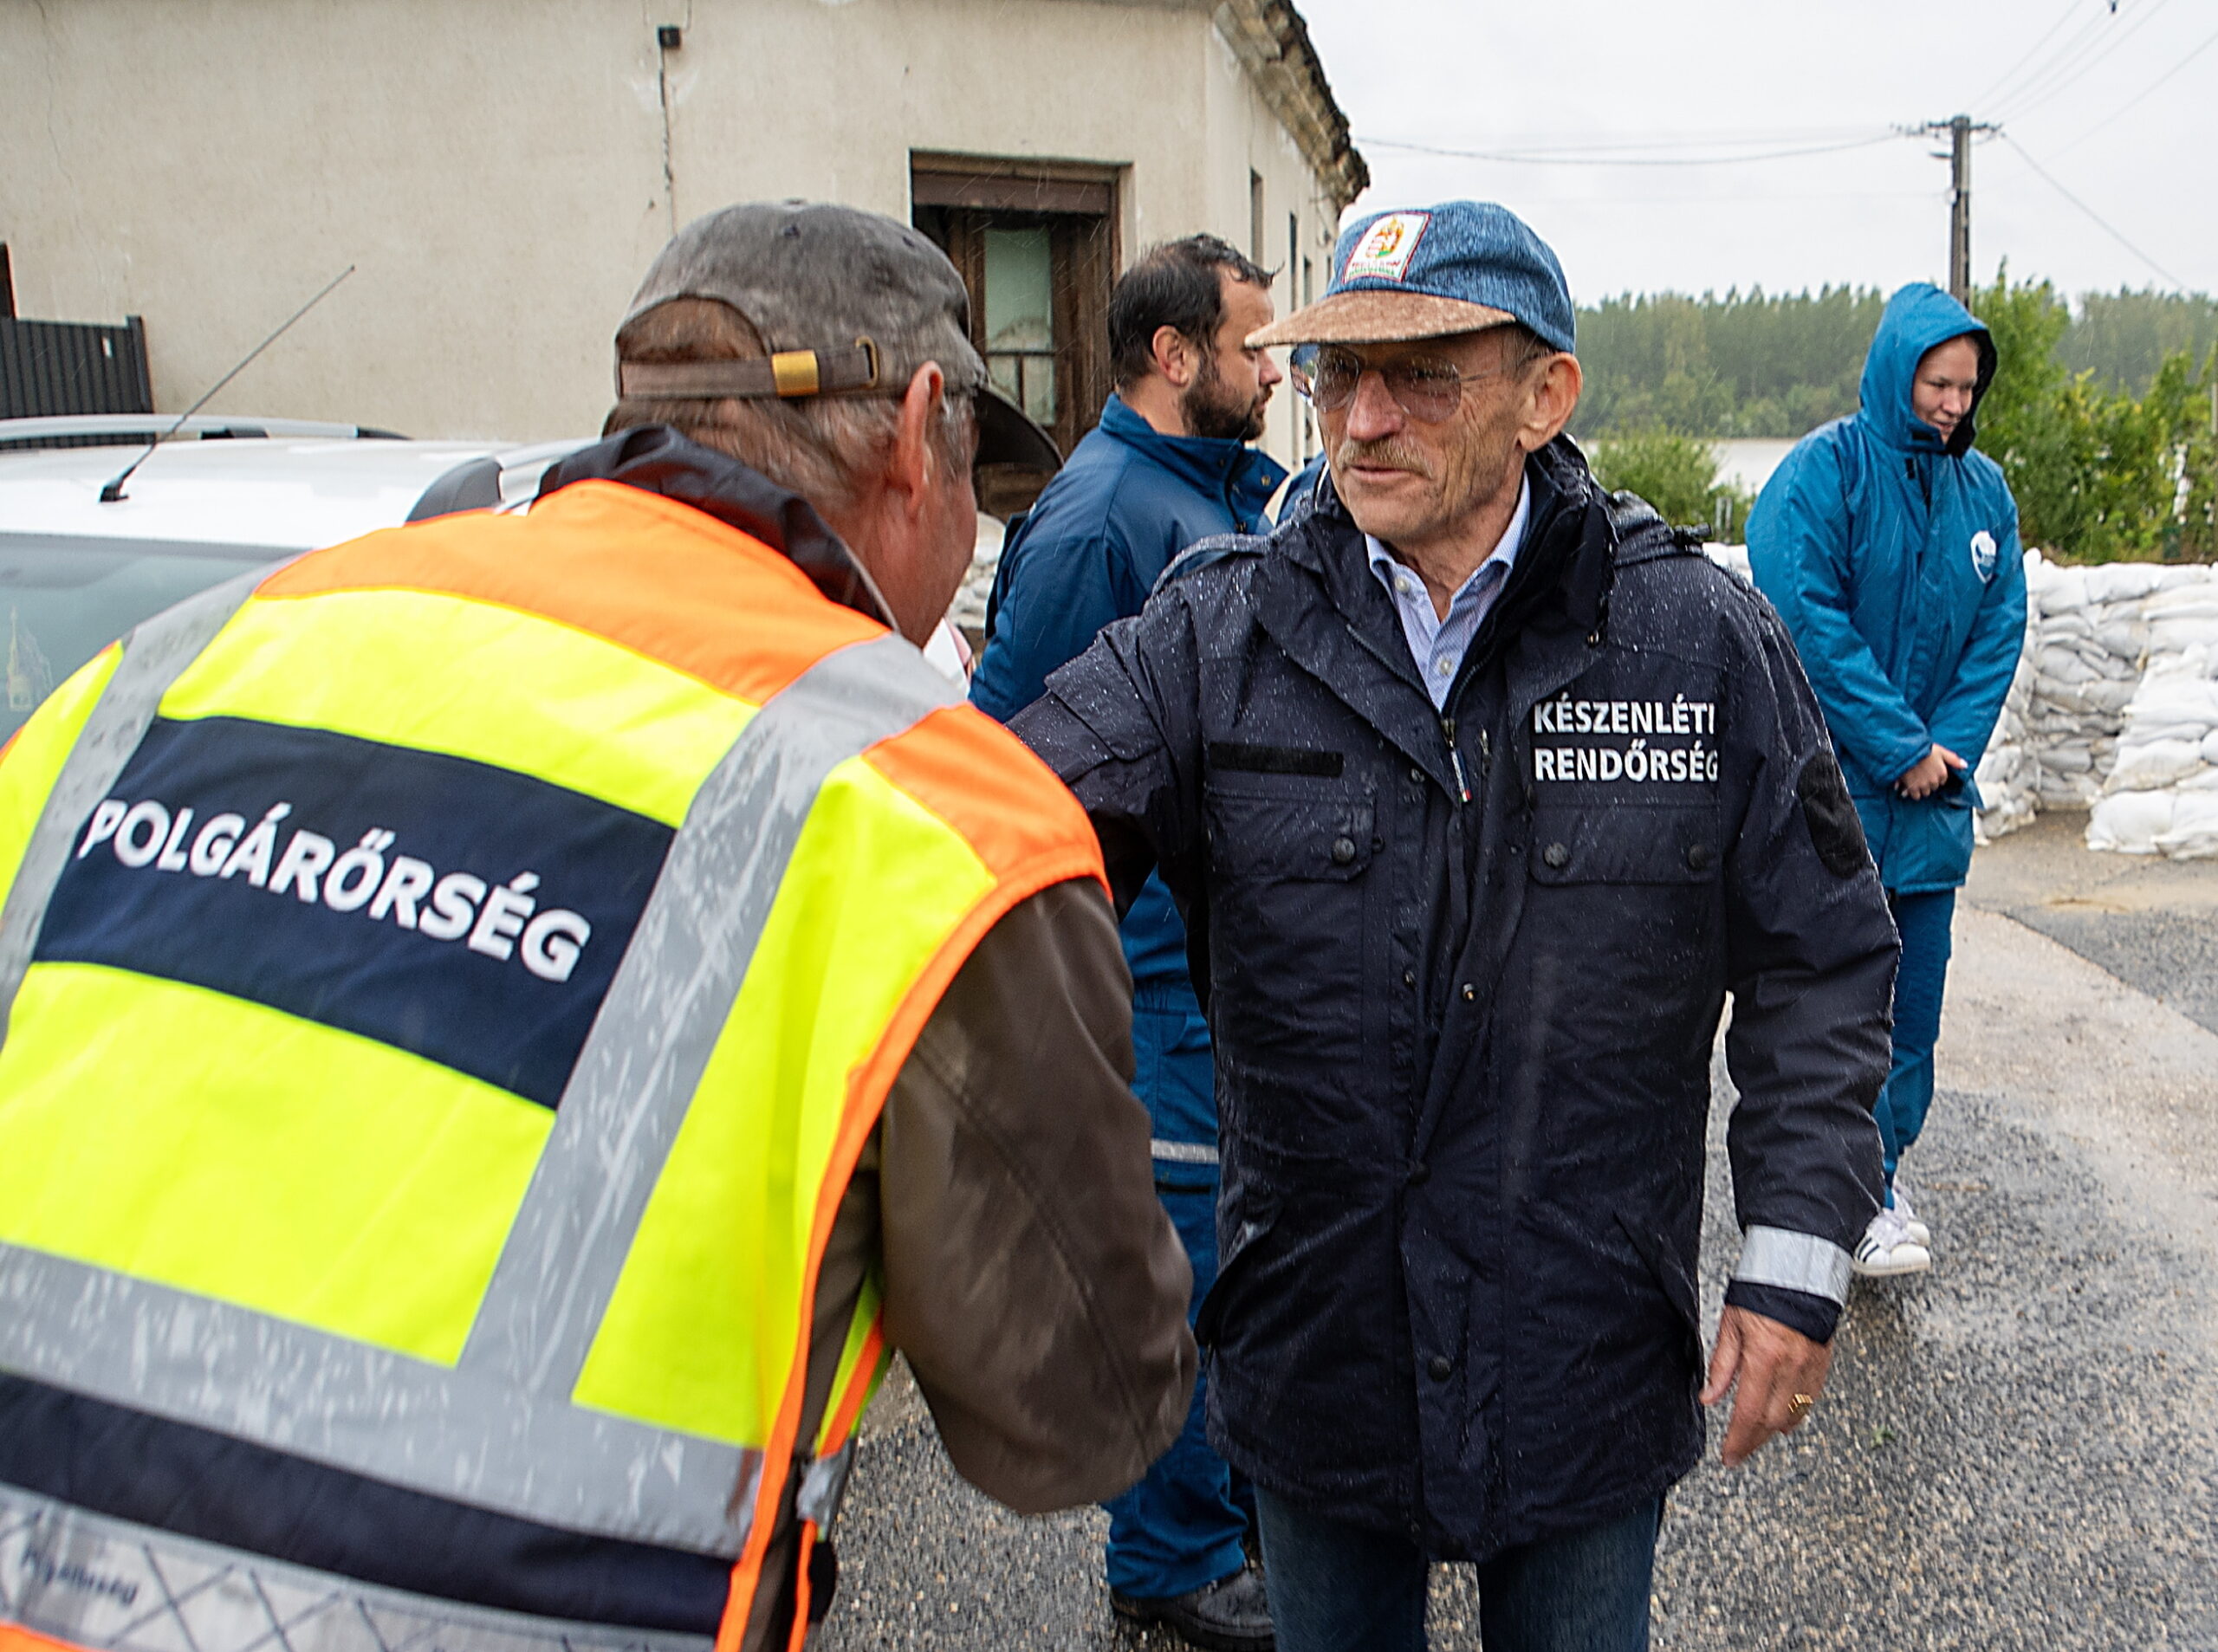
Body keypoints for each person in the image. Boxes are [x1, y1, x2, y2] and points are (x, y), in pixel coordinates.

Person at [0, 202, 1194, 1652]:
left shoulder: (161, 673)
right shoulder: (932, 816)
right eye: (975, 490)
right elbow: (1077, 1420)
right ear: (917, 428)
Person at [1008, 200, 1897, 1652]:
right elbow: (1012, 832)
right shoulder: (1215, 632)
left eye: (1421, 375)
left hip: (1583, 1352)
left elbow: (1821, 951)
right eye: (1335, 374)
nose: (1361, 419)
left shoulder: (1691, 640)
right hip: (1320, 1351)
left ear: (1547, 395)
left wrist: (1797, 1245)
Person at [972, 234, 1286, 1651]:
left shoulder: (1224, 495)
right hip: (1154, 980)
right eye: (1255, 344)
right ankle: (1168, 1558)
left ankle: (1231, 1513)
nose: (1274, 368)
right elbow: (1010, 757)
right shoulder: (1104, 517)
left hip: (1234, 973)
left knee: (1245, 1258)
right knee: (1181, 1273)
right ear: (1178, 356)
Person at [1748, 282, 2027, 1279]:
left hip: (1929, 815)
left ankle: (1876, 1180)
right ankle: (1817, 1193)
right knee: (1825, 1007)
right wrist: (1897, 744)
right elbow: (1805, 618)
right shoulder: (1821, 477)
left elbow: (1998, 629)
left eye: (1966, 386)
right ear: (1894, 371)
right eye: (1936, 382)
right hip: (1836, 805)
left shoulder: (1983, 494)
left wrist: (1945, 747)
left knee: (1912, 1012)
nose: (1953, 404)